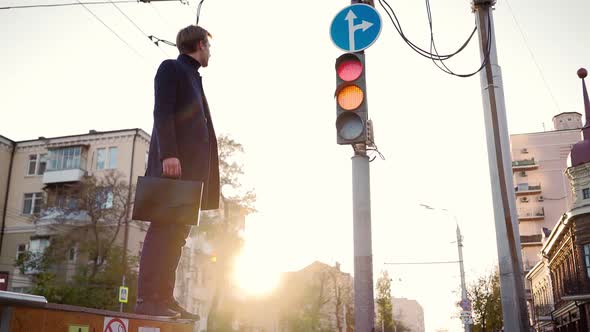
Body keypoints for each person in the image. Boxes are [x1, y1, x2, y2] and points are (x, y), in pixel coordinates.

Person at [135, 25, 220, 319]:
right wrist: (168, 153)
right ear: (199, 44)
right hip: (174, 167)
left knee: (177, 235)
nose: (211, 51)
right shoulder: (172, 67)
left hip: (192, 174)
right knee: (163, 230)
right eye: (209, 45)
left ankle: (164, 297)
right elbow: (163, 110)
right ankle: (148, 299)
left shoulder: (194, 77)